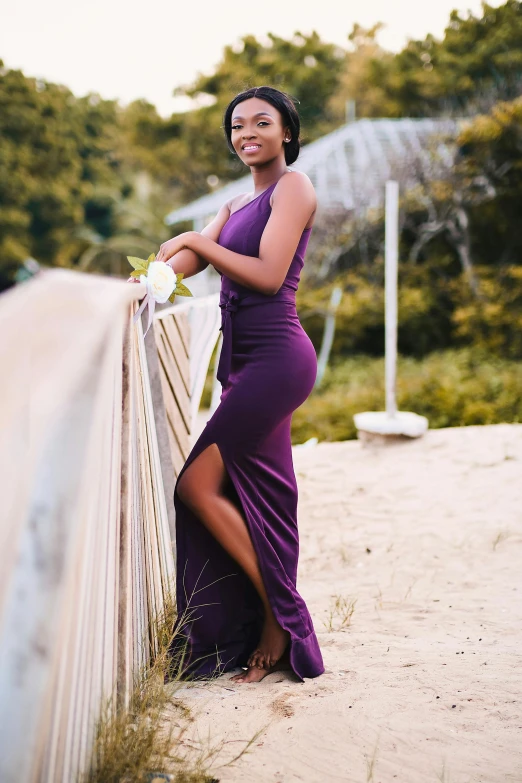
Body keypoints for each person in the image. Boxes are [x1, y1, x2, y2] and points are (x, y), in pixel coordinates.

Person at [131, 85, 324, 684]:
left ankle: (277, 614)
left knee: (194, 485)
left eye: (261, 123)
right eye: (237, 126)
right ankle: (264, 621)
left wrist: (196, 240)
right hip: (242, 364)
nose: (247, 134)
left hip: (277, 358)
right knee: (262, 493)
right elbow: (184, 266)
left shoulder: (295, 187)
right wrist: (149, 278)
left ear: (286, 132)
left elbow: (267, 276)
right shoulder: (237, 206)